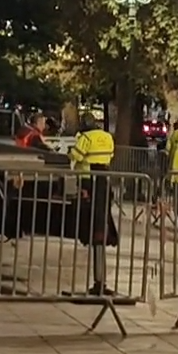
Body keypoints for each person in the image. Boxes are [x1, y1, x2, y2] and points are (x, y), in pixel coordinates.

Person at [69, 111, 118, 295]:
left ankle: (99, 282)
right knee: (101, 219)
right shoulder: (106, 136)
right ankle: (100, 281)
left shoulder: (86, 137)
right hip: (103, 179)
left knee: (93, 224)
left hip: (88, 180)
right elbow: (110, 155)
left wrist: (69, 153)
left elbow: (77, 156)